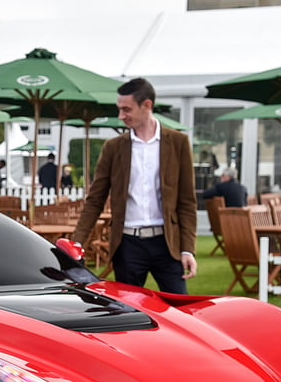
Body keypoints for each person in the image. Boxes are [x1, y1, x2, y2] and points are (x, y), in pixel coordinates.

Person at [72, 77, 198, 294]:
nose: (121, 116)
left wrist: (188, 249)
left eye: (126, 109)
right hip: (128, 245)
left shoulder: (178, 143)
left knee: (181, 311)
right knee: (128, 313)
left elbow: (186, 201)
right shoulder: (113, 147)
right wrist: (76, 244)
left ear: (147, 105)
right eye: (119, 109)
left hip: (167, 245)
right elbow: (95, 199)